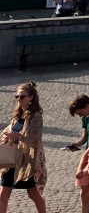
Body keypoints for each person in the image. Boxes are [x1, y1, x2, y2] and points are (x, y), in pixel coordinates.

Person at [0, 82, 46, 213]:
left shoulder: (36, 115)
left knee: (32, 193)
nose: (19, 99)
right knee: (3, 193)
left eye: (22, 96)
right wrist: (6, 135)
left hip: (26, 161)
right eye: (17, 96)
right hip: (12, 159)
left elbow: (35, 138)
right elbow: (9, 129)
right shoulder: (18, 114)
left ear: (31, 97)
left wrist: (18, 136)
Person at [66, 96, 89, 213]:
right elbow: (86, 136)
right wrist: (76, 144)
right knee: (84, 189)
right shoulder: (86, 118)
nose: (80, 116)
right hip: (88, 156)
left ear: (87, 106)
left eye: (80, 113)